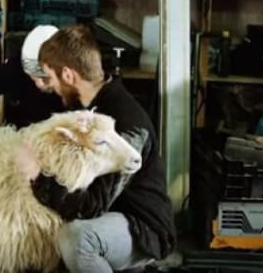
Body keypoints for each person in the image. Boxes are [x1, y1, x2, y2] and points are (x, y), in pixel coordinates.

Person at [20, 24, 176, 273]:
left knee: (78, 239)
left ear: (68, 75)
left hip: (141, 226)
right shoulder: (85, 109)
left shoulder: (126, 125)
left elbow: (91, 205)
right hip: (108, 215)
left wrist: (38, 176)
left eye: (51, 78)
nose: (52, 87)